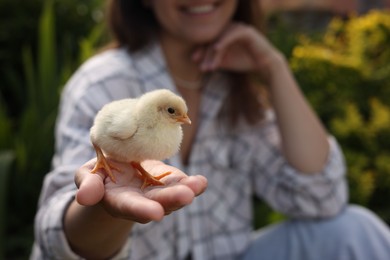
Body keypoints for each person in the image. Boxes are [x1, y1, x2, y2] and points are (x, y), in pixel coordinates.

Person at [31, 0, 390, 259]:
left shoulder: (237, 86)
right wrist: (107, 206)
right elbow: (58, 241)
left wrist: (274, 69)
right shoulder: (104, 81)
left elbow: (322, 198)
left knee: (353, 230)